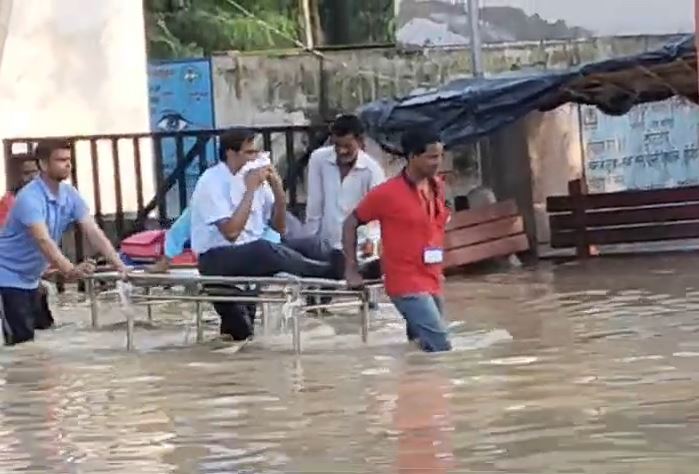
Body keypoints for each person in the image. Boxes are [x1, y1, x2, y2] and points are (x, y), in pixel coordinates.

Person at [190, 128, 343, 340]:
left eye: (256, 152)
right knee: (264, 250)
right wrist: (250, 190)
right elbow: (232, 232)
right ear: (231, 154)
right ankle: (324, 273)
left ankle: (349, 267)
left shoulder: (255, 177)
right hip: (217, 258)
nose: (256, 158)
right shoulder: (211, 182)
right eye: (249, 153)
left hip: (249, 257)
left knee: (309, 244)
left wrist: (278, 188)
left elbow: (280, 228)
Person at [0, 139, 129, 345]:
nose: (67, 164)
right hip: (6, 277)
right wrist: (69, 270)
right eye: (60, 160)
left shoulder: (70, 194)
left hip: (32, 279)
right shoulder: (30, 198)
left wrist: (120, 266)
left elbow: (93, 231)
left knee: (44, 339)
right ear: (42, 164)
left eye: (69, 160)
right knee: (20, 344)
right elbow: (43, 239)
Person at [342, 128, 452, 353]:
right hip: (406, 283)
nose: (438, 162)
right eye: (431, 156)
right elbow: (350, 223)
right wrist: (351, 269)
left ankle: (416, 387)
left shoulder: (438, 187)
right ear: (412, 157)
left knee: (420, 348)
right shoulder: (387, 193)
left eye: (440, 156)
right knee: (441, 346)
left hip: (432, 277)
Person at [286, 114, 385, 266]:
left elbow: (376, 218)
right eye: (337, 145)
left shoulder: (372, 170)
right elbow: (314, 206)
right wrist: (310, 243)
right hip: (325, 246)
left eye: (347, 146)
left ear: (360, 141)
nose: (341, 151)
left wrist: (370, 244)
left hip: (357, 249)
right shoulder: (319, 159)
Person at [0, 154, 38, 227]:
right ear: (19, 176)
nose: (32, 177)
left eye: (35, 172)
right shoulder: (8, 200)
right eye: (27, 173)